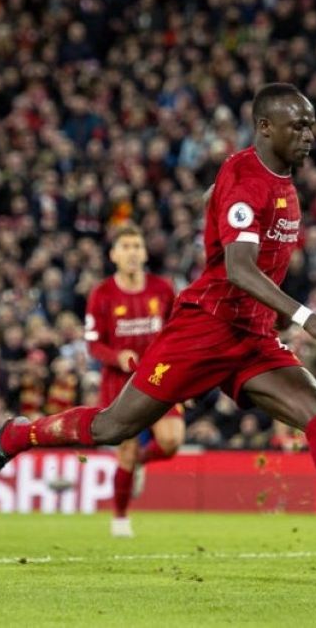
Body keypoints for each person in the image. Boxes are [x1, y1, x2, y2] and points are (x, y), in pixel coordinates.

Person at [0, 83, 316, 566]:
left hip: (253, 336)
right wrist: (306, 317)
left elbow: (226, 215)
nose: (309, 135)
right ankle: (14, 437)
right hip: (205, 330)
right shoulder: (245, 177)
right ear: (265, 127)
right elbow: (239, 268)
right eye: (298, 125)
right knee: (114, 426)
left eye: (311, 125)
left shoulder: (278, 180)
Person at [84, 223, 182, 538]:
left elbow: (177, 332)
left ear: (144, 252)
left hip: (160, 376)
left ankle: (141, 462)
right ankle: (121, 518)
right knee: (124, 450)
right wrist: (118, 357)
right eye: (125, 247)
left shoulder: (163, 289)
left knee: (170, 441)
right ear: (113, 254)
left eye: (137, 246)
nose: (132, 252)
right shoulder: (101, 294)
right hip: (118, 383)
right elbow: (93, 344)